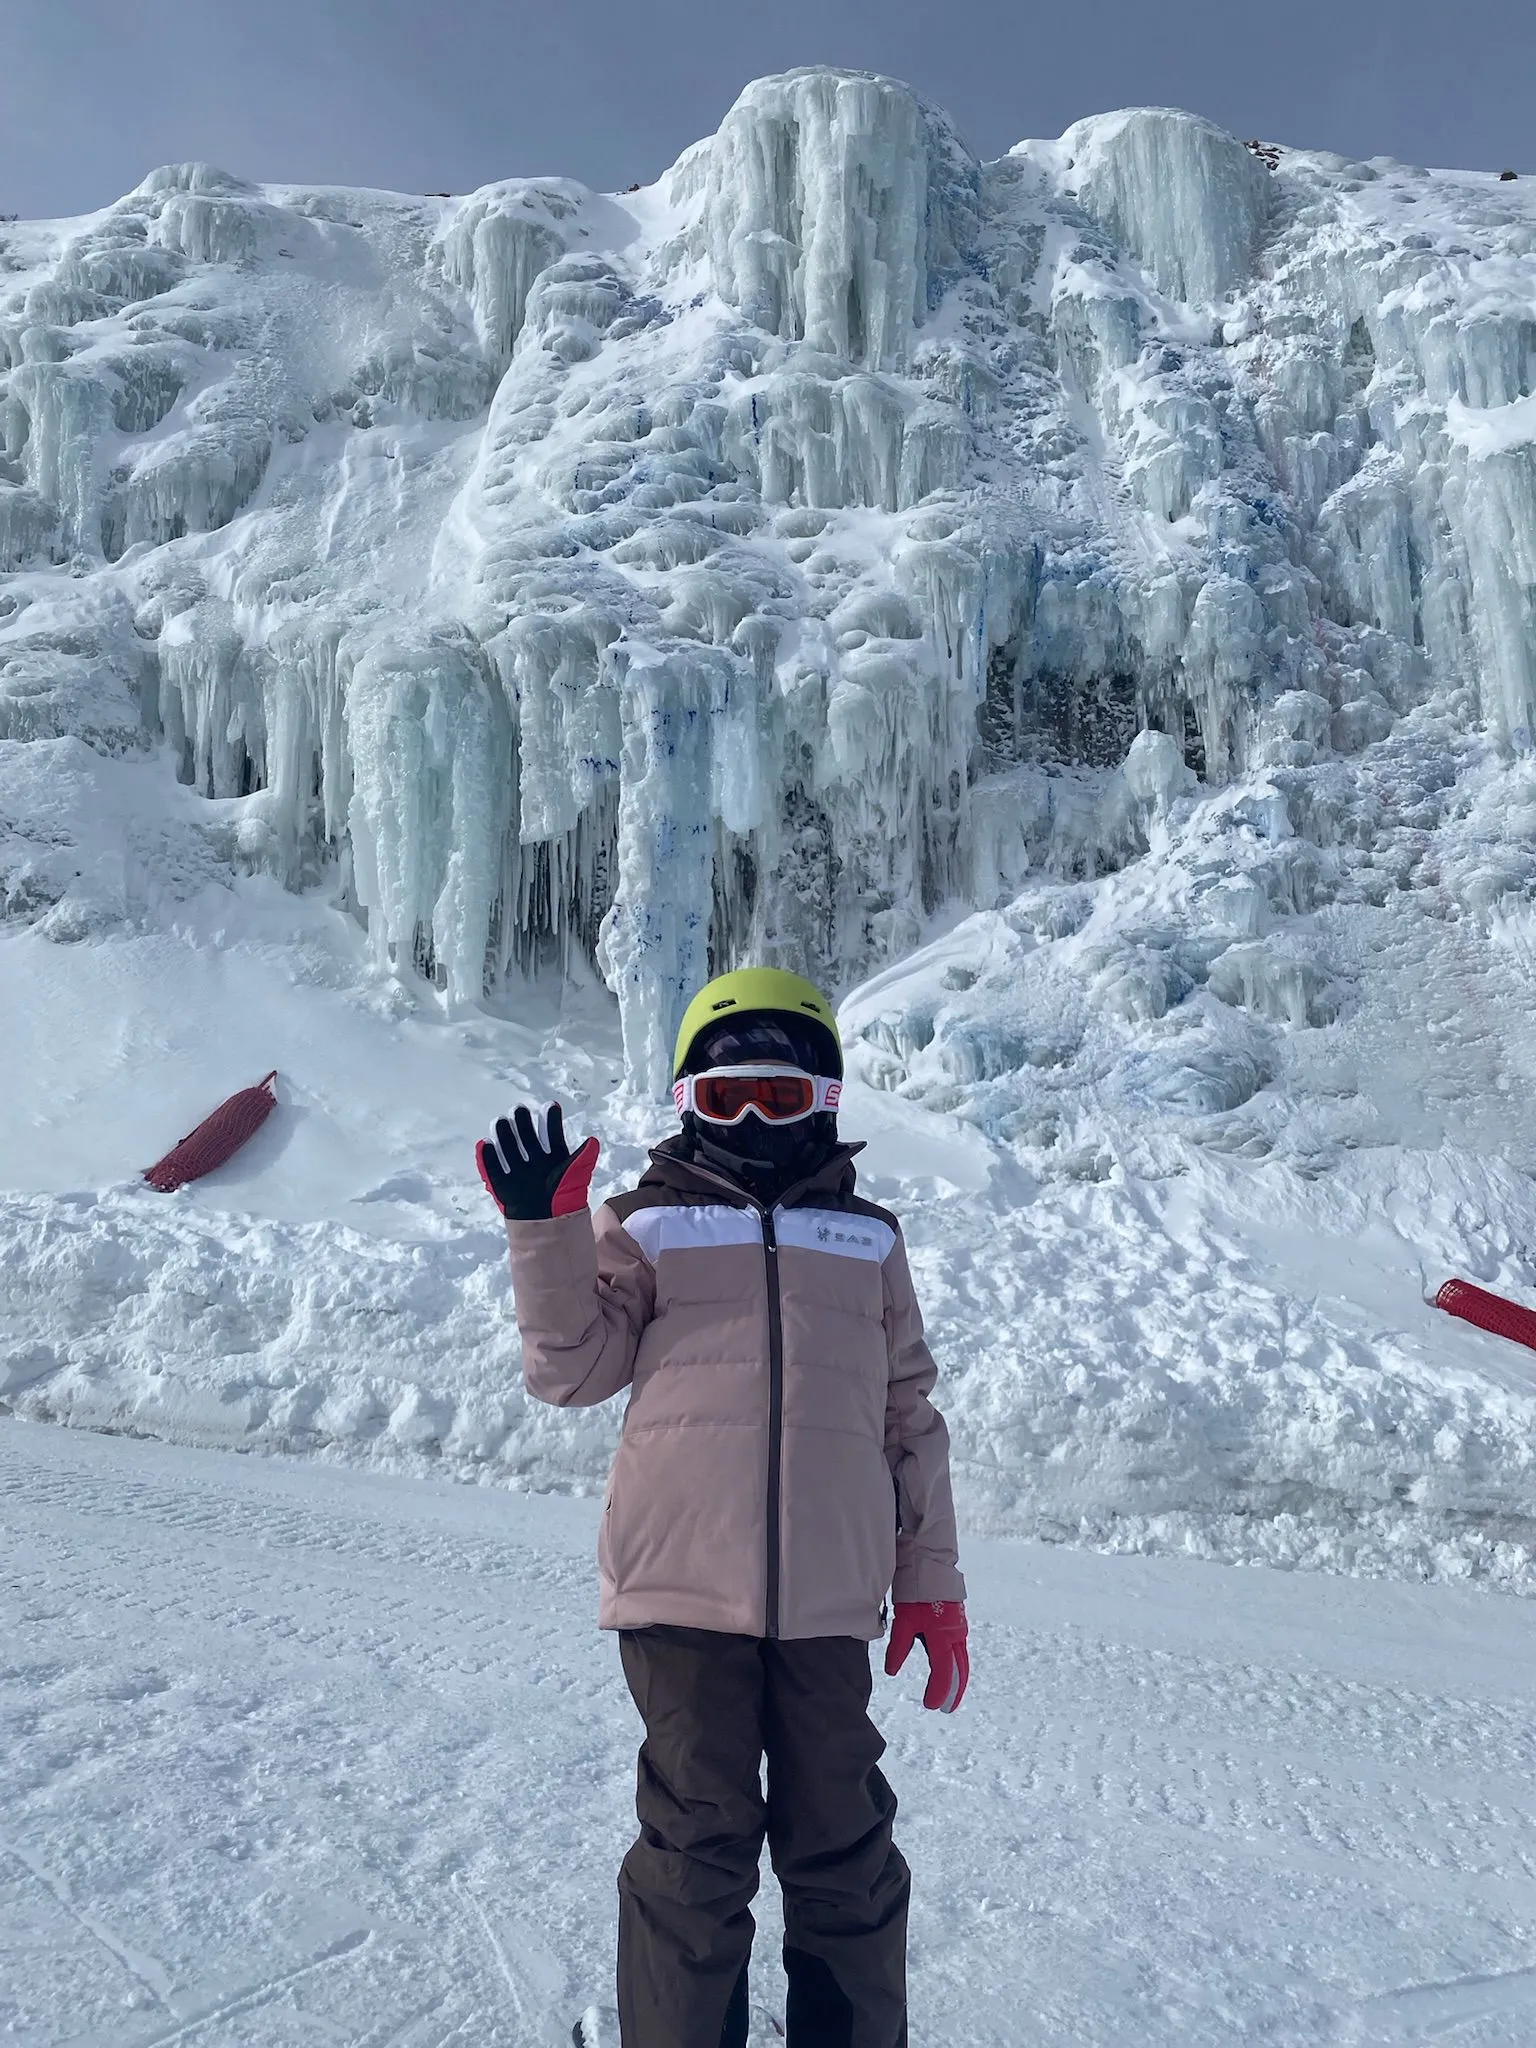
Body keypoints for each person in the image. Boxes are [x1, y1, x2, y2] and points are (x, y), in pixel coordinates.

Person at [477, 967, 968, 2048]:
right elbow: (571, 1369)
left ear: (824, 1101)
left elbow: (908, 1417)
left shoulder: (870, 1239)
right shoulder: (646, 1223)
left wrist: (931, 1582)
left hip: (830, 1595)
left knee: (844, 1844)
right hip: (680, 1589)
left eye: (779, 1097)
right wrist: (547, 1236)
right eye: (724, 1096)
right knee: (696, 1848)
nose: (751, 1120)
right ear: (687, 1102)